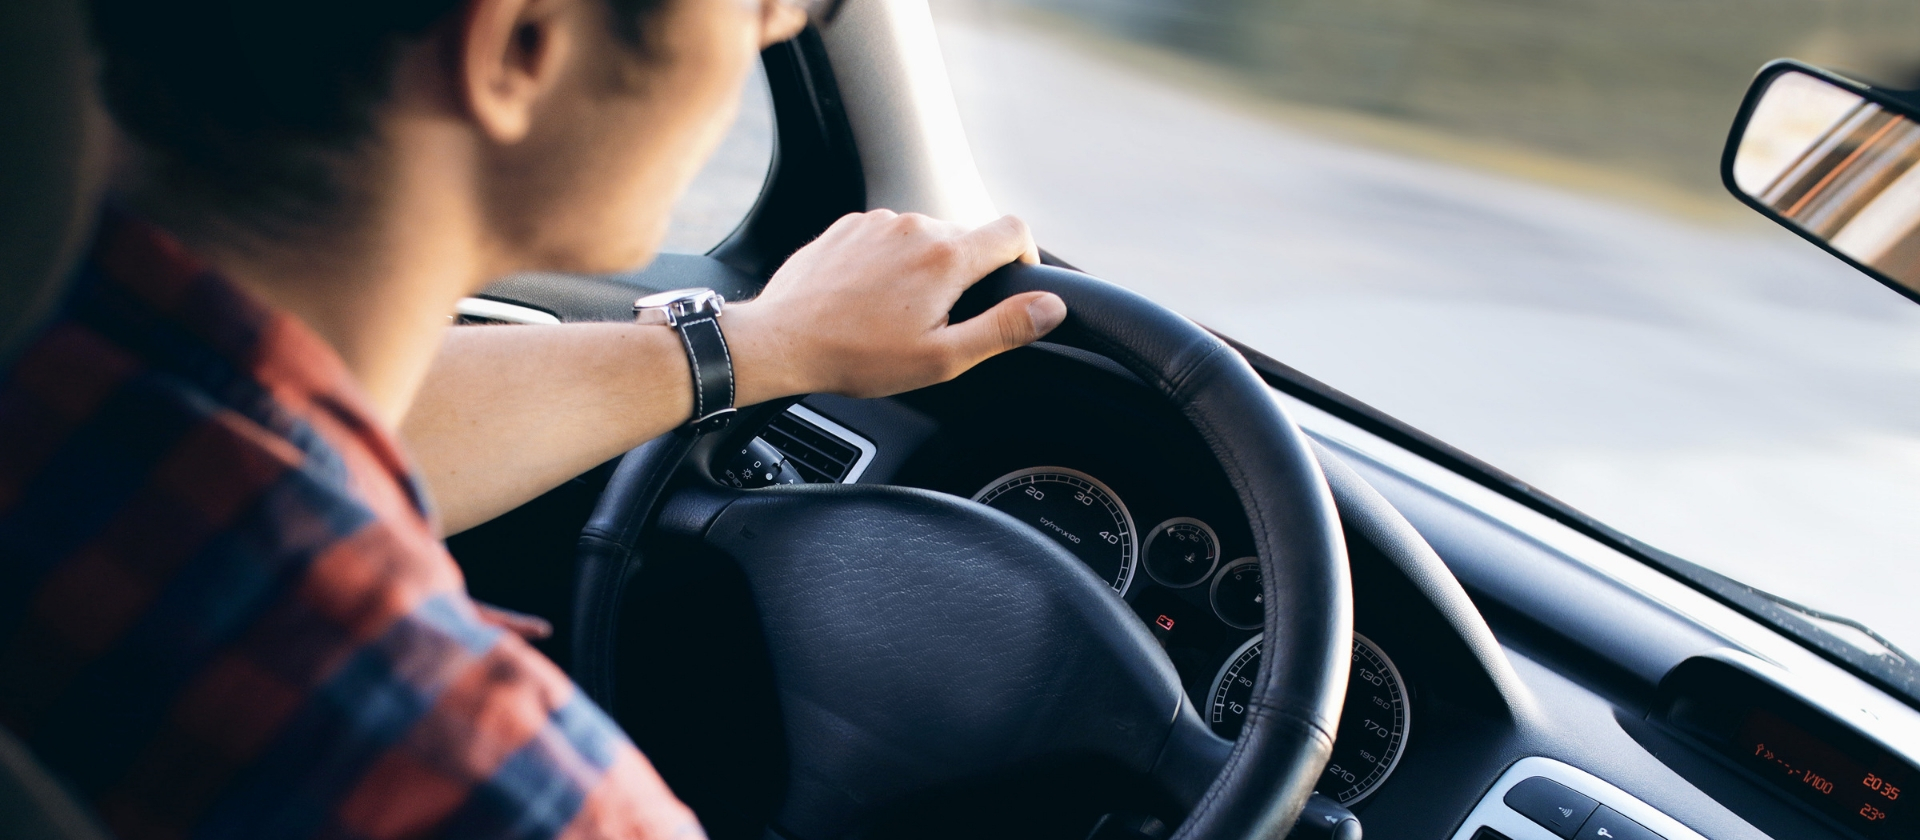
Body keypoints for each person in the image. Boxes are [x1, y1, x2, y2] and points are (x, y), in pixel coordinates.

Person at [0, 0, 1068, 837]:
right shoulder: (502, 798)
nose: (781, 23)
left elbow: (289, 428)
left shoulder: (59, 354)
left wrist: (763, 343)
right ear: (522, 42)